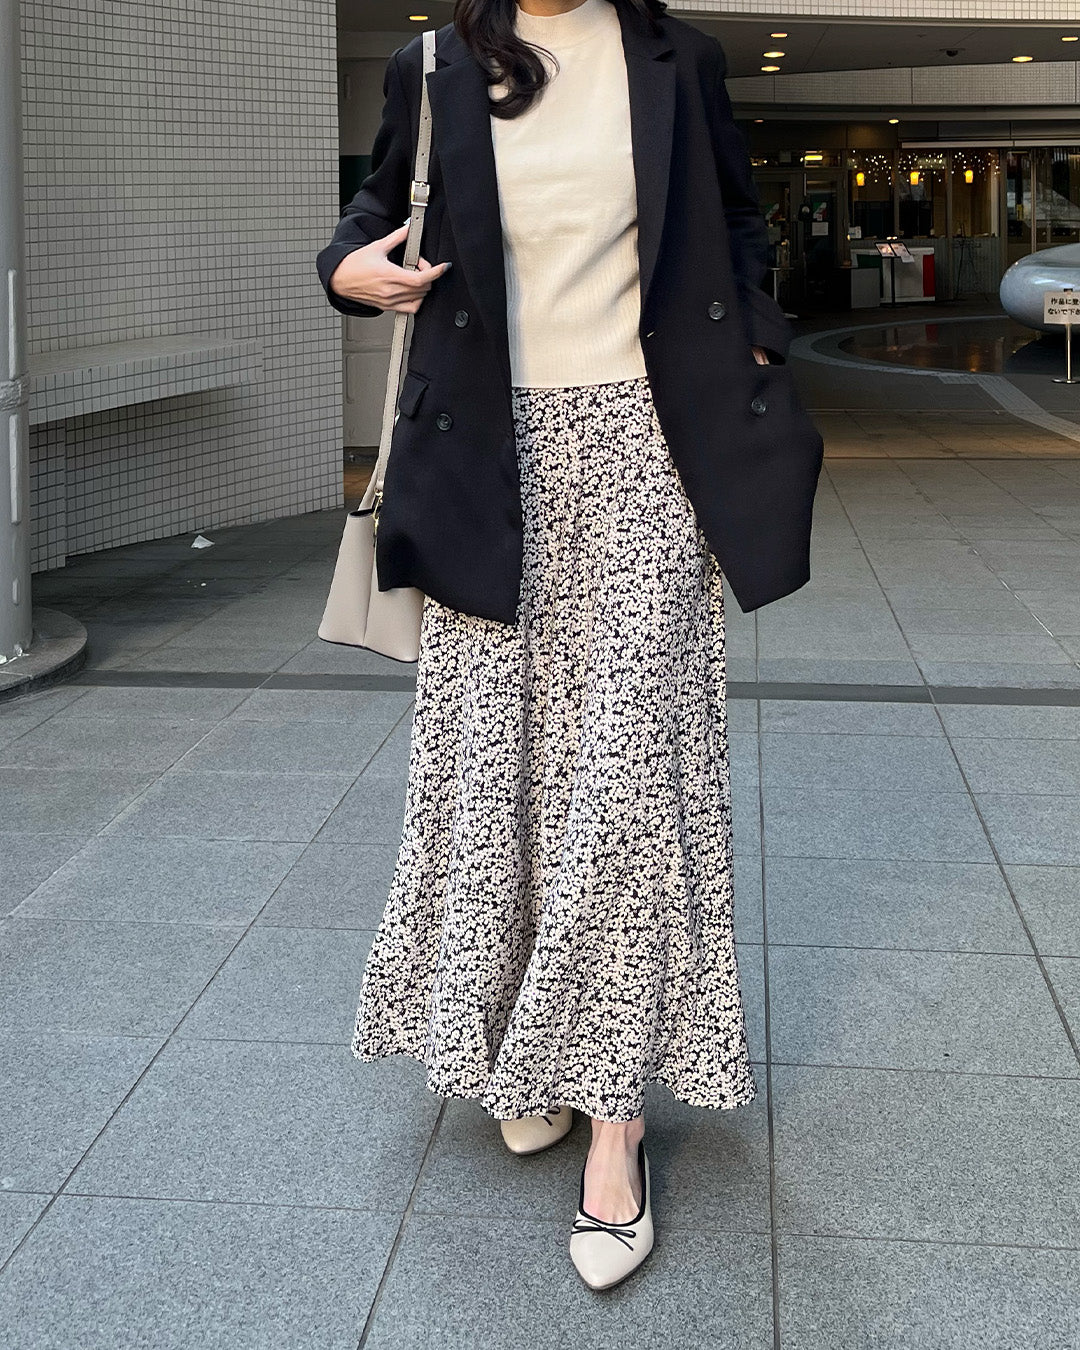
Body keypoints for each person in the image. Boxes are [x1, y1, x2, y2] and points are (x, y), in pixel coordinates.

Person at [315, 0, 823, 1291]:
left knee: (623, 781)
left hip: (649, 455)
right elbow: (369, 214)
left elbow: (739, 222)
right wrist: (348, 269)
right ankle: (527, 1052)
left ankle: (614, 1118)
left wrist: (754, 339)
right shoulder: (434, 66)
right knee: (500, 769)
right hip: (487, 456)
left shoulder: (679, 61)